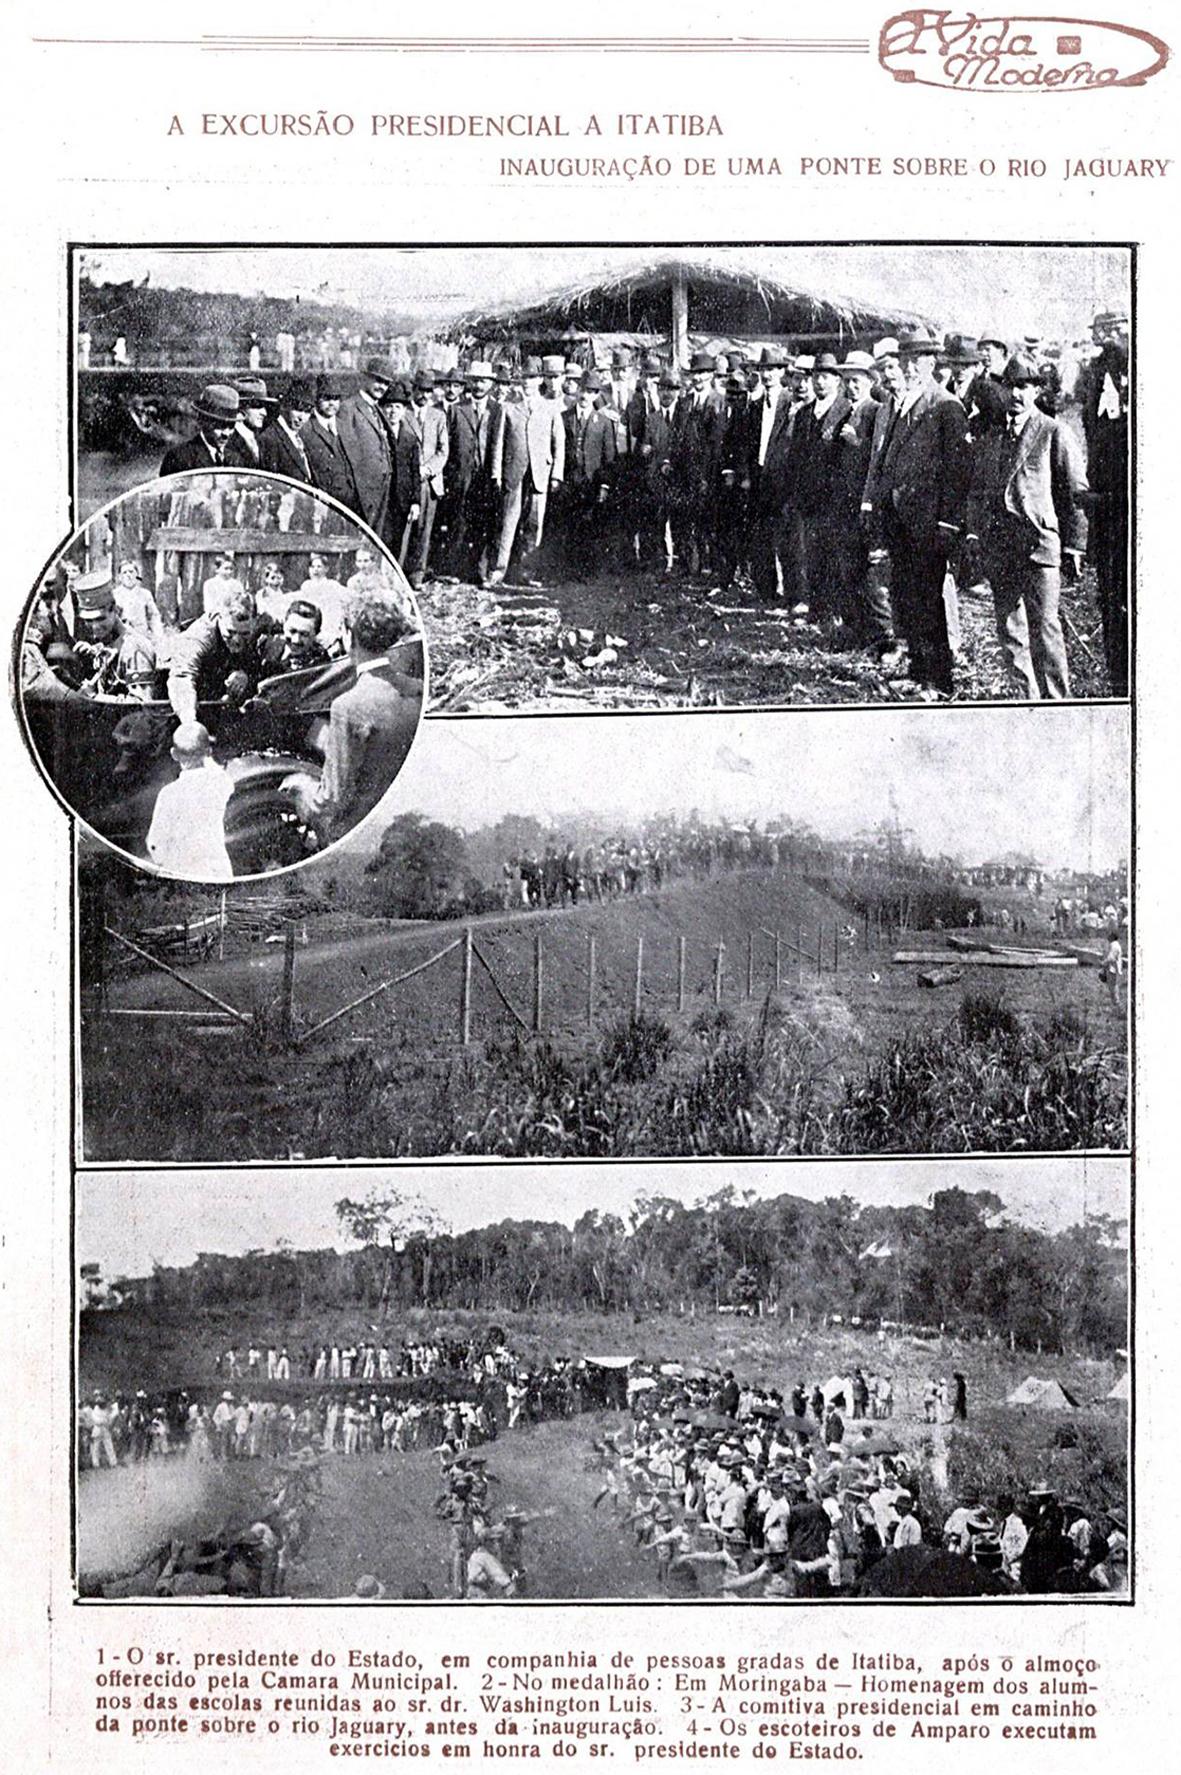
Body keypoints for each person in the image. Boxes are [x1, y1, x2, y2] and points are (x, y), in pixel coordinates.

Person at [964, 352, 1088, 700]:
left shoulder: (1053, 431)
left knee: (1045, 629)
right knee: (1010, 632)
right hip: (1001, 547)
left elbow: (1075, 493)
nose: (1016, 394)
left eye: (1024, 387)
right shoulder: (992, 436)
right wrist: (975, 532)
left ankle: (1057, 705)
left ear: (1036, 391)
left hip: (1039, 545)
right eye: (1010, 386)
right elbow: (978, 491)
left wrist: (1074, 545)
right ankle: (1025, 703)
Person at [862, 327, 971, 698]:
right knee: (908, 599)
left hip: (929, 523)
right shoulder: (901, 405)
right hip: (901, 520)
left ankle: (938, 681)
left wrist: (947, 523)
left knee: (928, 603)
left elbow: (958, 471)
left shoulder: (945, 406)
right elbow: (887, 461)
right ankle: (918, 671)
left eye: (917, 361)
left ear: (931, 363)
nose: (909, 368)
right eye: (905, 360)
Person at [280, 592, 419, 843]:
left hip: (354, 832)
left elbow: (331, 800)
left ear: (348, 635)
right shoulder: (417, 690)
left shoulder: (348, 706)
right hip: (399, 824)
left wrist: (301, 784)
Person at [1077, 310, 1129, 694]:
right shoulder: (1097, 373)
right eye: (1104, 332)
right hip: (1108, 497)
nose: (1109, 337)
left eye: (1116, 330)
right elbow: (1095, 432)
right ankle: (1119, 678)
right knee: (1112, 593)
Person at [488, 356, 565, 586]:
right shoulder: (508, 408)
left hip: (540, 473)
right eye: (524, 378)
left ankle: (527, 572)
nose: (527, 382)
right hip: (514, 472)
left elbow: (559, 442)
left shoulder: (550, 408)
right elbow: (498, 443)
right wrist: (496, 473)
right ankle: (498, 570)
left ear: (540, 379)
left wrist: (556, 474)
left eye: (532, 378)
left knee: (534, 524)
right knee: (507, 521)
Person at [145, 722, 237, 878]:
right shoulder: (220, 783)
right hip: (217, 873)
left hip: (182, 874)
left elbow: (156, 844)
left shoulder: (168, 794)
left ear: (174, 754)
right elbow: (216, 769)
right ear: (209, 751)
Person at [167, 589, 263, 721]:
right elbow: (182, 677)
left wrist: (246, 674)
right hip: (193, 689)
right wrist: (189, 721)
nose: (237, 640)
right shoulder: (199, 636)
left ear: (255, 622)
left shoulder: (261, 623)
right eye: (230, 632)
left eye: (245, 634)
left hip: (223, 677)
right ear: (219, 617)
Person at [69, 568, 159, 699]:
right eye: (88, 621)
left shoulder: (134, 648)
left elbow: (141, 703)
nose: (95, 626)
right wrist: (95, 651)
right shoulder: (109, 639)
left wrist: (94, 696)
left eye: (100, 619)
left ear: (115, 610)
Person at [337, 357, 396, 535]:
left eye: (386, 383)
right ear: (366, 378)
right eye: (378, 380)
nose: (382, 387)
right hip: (363, 493)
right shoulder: (349, 407)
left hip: (382, 489)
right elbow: (348, 453)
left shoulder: (377, 410)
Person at [406, 369, 450, 588]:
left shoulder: (438, 416)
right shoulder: (403, 413)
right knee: (406, 527)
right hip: (407, 480)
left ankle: (417, 574)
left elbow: (443, 450)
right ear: (413, 389)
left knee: (424, 530)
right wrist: (412, 471)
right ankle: (400, 571)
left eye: (428, 391)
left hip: (429, 481)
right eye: (421, 390)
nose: (424, 395)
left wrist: (428, 469)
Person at [160, 384, 240, 476]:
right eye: (219, 425)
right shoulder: (179, 458)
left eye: (231, 426)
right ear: (202, 420)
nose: (226, 433)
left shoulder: (235, 460)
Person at [302, 377, 355, 509]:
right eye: (326, 398)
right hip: (324, 504)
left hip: (350, 502)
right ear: (316, 399)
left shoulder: (345, 426)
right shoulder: (306, 429)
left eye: (335, 398)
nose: (331, 403)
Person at [259, 380, 315, 483]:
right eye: (298, 409)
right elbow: (271, 482)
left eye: (307, 411)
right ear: (285, 406)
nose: (301, 417)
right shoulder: (271, 437)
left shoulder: (299, 436)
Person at [257, 600, 332, 676]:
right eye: (292, 631)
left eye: (304, 634)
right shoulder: (266, 646)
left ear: (316, 634)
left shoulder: (321, 664)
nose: (296, 640)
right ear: (284, 625)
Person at [222, 376, 276, 467]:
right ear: (240, 407)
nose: (264, 413)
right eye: (257, 406)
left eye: (264, 407)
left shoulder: (263, 441)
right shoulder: (227, 441)